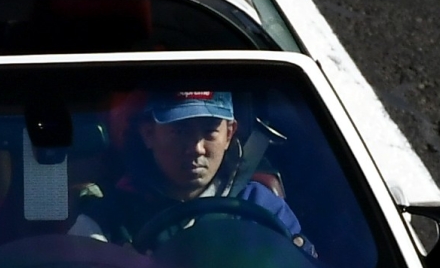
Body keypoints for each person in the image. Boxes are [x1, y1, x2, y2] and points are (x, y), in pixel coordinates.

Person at [75, 90, 310, 250]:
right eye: (180, 131)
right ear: (148, 134)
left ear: (229, 134)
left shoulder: (262, 207)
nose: (196, 148)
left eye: (209, 132)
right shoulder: (108, 220)